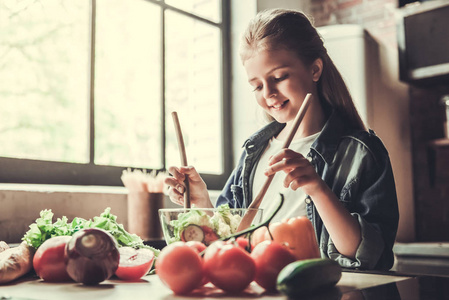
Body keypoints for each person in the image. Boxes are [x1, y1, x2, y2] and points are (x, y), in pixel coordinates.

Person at [165, 8, 399, 270]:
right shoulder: (255, 151)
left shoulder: (362, 153)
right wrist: (203, 202)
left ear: (315, 69)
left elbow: (369, 256)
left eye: (278, 77)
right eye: (257, 85)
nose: (269, 94)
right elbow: (229, 240)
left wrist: (317, 189)